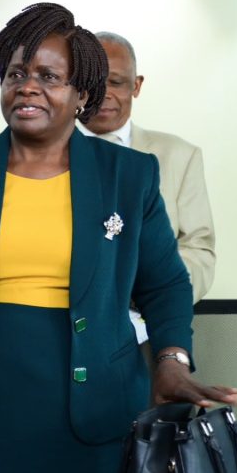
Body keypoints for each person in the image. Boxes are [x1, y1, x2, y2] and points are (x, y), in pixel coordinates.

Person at [0, 2, 237, 473]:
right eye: (16, 74)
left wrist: (172, 358)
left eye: (48, 76)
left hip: (95, 413)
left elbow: (164, 285)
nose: (27, 87)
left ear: (81, 95)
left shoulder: (128, 176)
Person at [80, 31, 215, 302]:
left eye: (116, 82)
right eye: (93, 82)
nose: (103, 94)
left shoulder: (180, 156)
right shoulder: (41, 154)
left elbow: (198, 249)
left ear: (136, 86)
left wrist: (160, 295)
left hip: (150, 327)